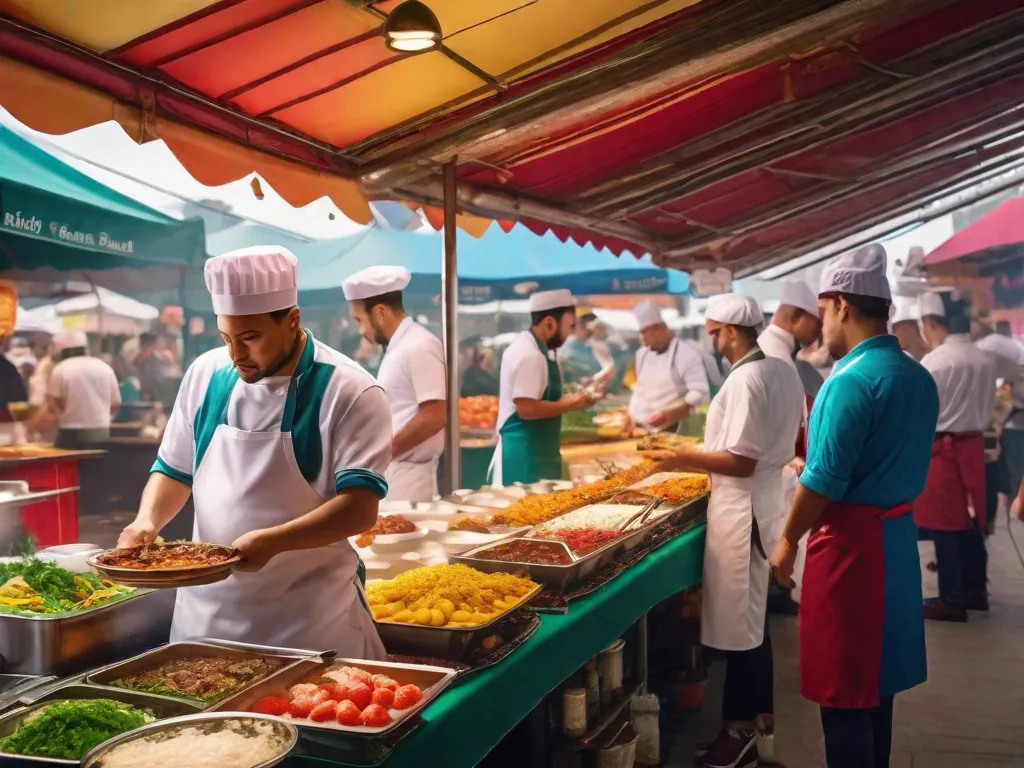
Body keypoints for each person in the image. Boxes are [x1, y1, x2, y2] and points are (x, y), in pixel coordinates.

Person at [117, 246, 391, 656]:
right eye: (226, 338)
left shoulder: (350, 391)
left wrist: (273, 541)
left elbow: (359, 508)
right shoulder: (206, 375)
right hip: (203, 623)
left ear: (292, 320)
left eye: (250, 338)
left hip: (310, 626)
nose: (236, 355)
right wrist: (147, 520)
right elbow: (174, 470)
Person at [769, 243, 938, 768]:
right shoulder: (918, 376)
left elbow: (822, 480)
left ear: (842, 304)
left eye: (822, 310)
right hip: (894, 541)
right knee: (879, 686)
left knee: (844, 695)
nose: (822, 324)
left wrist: (787, 539)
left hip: (848, 552)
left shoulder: (849, 381)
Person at [642, 294, 803, 768]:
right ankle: (760, 724)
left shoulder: (750, 377)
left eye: (713, 333)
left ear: (730, 332)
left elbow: (741, 458)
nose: (711, 342)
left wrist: (678, 457)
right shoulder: (780, 370)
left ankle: (739, 735)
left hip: (742, 510)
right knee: (754, 626)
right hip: (762, 504)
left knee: (741, 634)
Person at [915, 291, 996, 621]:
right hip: (973, 447)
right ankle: (976, 590)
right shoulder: (984, 359)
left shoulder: (935, 362)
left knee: (944, 526)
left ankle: (951, 598)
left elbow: (920, 412)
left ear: (933, 323)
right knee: (973, 521)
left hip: (941, 451)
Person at [343, 265, 446, 502]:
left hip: (409, 477)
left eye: (360, 320)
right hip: (395, 472)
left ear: (379, 312)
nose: (362, 330)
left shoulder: (419, 345)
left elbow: (434, 414)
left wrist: (382, 453)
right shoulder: (399, 347)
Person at [490, 290, 597, 485]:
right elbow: (527, 409)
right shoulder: (530, 355)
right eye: (570, 326)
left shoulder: (535, 350)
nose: (571, 333)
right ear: (549, 323)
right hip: (524, 460)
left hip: (536, 453)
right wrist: (571, 404)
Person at [626, 299, 709, 434]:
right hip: (638, 428)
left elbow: (700, 392)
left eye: (644, 333)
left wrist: (673, 412)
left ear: (659, 329)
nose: (643, 340)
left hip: (668, 429)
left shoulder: (686, 353)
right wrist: (630, 413)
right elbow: (641, 389)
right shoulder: (642, 354)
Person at [46, 331, 121, 449]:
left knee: (70, 466)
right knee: (96, 466)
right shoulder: (104, 368)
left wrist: (63, 417)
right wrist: (102, 419)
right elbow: (115, 404)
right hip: (102, 432)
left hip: (70, 432)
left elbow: (52, 402)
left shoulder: (61, 369)